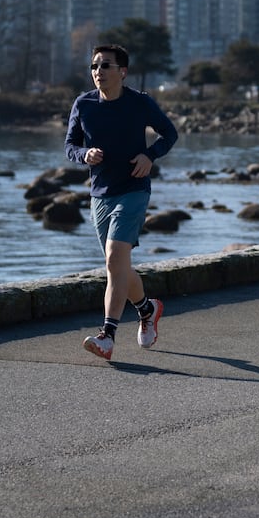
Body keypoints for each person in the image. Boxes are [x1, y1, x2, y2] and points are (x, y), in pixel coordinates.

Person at [65, 42, 179, 362]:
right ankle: (147, 309)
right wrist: (83, 154)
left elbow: (169, 134)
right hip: (100, 192)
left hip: (134, 188)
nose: (98, 72)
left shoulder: (140, 103)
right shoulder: (83, 104)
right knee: (117, 265)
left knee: (116, 256)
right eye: (94, 66)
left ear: (122, 72)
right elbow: (70, 145)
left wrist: (150, 155)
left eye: (105, 66)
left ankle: (107, 336)